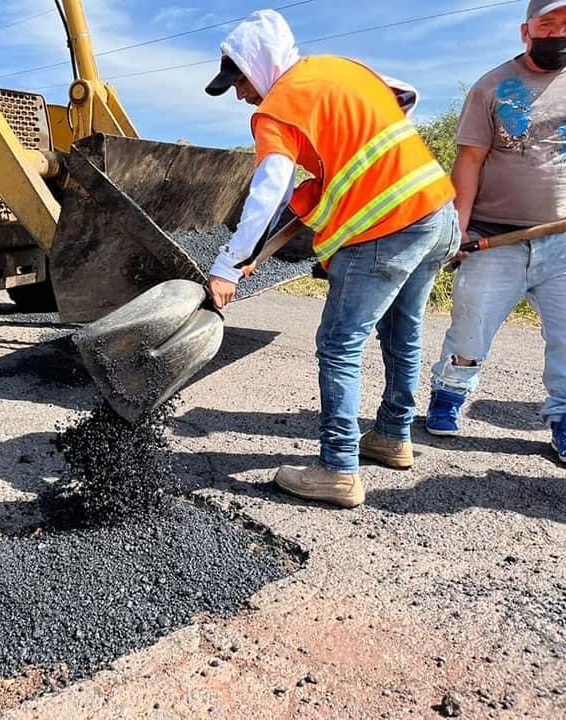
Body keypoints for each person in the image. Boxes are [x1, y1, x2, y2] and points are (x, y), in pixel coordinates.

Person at [204, 10, 459, 508]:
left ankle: (338, 469)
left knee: (341, 343)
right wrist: (336, 174)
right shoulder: (342, 69)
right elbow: (406, 96)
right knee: (402, 333)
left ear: (261, 63)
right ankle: (391, 436)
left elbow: (269, 189)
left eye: (240, 80)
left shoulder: (280, 106)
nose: (240, 94)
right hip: (437, 213)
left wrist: (229, 263)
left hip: (388, 229)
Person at [426, 0, 566, 465]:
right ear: (526, 31)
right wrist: (456, 232)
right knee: (470, 327)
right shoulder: (492, 87)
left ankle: (563, 419)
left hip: (563, 241)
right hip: (494, 237)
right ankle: (448, 395)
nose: (559, 33)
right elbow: (468, 162)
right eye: (549, 24)